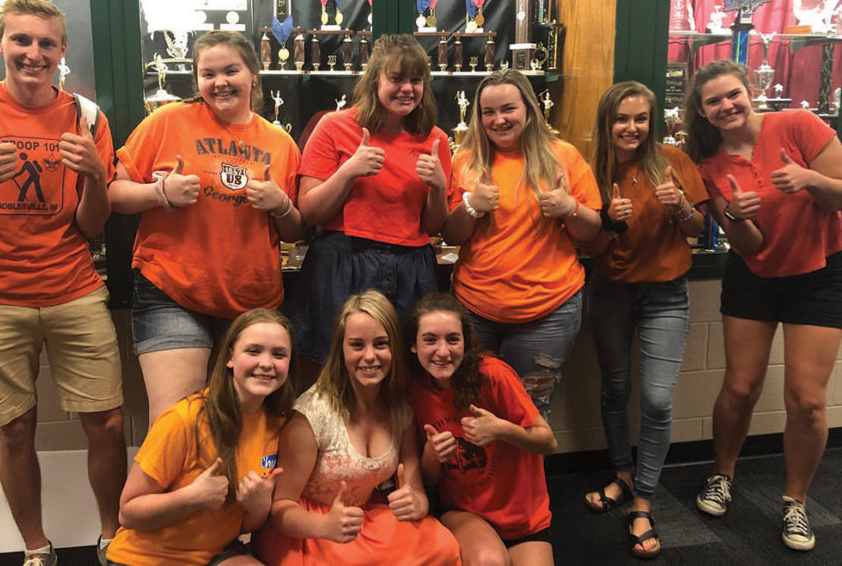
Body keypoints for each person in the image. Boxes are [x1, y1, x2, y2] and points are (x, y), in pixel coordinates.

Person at [0, 0, 126, 566]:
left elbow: (92, 227)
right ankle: (36, 548)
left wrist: (96, 177)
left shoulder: (88, 116)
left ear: (62, 50)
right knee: (15, 430)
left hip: (74, 288)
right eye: (21, 39)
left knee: (108, 421)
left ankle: (110, 537)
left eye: (47, 43)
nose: (33, 53)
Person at [683, 60, 842, 552]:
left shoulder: (798, 124)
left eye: (732, 95)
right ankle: (721, 475)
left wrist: (811, 181)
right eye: (714, 102)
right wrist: (734, 214)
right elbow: (747, 245)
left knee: (808, 399)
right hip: (754, 277)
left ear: (749, 90)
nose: (726, 106)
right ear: (703, 112)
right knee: (741, 386)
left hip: (821, 274)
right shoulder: (708, 164)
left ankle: (796, 501)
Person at [109, 30, 304, 425]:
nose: (219, 83)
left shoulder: (281, 143)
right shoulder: (167, 121)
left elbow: (293, 231)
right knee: (175, 427)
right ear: (196, 80)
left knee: (247, 425)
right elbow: (114, 192)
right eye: (207, 74)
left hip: (252, 299)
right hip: (172, 291)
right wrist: (159, 193)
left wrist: (281, 204)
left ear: (253, 74)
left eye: (231, 70)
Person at [582, 81, 707, 559]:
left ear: (652, 122)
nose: (631, 128)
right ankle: (621, 473)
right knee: (615, 388)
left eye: (640, 118)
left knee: (656, 399)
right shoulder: (591, 168)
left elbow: (698, 228)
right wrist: (608, 222)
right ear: (607, 122)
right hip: (610, 291)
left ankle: (645, 499)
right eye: (622, 118)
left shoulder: (673, 161)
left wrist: (680, 210)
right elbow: (586, 247)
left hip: (666, 294)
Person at [256, 291, 461, 565]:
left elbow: (415, 488)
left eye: (380, 344)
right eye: (357, 345)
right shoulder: (310, 416)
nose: (369, 357)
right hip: (308, 530)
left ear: (395, 348)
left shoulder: (400, 407)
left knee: (443, 546)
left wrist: (417, 504)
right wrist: (323, 527)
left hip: (363, 519)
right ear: (341, 349)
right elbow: (280, 507)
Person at [442, 69, 601, 418]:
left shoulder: (564, 156)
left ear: (529, 109)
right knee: (474, 408)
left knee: (528, 415)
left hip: (547, 311)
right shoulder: (465, 160)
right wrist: (470, 206)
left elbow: (591, 230)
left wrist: (569, 208)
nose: (499, 120)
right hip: (475, 310)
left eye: (508, 109)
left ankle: (527, 476)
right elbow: (451, 234)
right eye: (488, 112)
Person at [290, 34, 451, 366]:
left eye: (416, 80)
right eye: (396, 78)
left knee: (405, 370)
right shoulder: (334, 126)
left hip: (412, 265)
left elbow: (434, 226)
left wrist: (438, 187)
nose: (407, 89)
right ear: (374, 79)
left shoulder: (435, 139)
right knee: (337, 368)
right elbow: (309, 211)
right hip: (343, 260)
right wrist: (349, 172)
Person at [105, 308, 295, 566]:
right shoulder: (185, 418)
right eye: (253, 351)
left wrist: (259, 506)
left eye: (278, 354)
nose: (266, 363)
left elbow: (242, 524)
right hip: (147, 558)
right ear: (230, 357)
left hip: (214, 554)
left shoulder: (276, 424)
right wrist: (189, 498)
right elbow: (128, 513)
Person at [408, 293, 557, 566]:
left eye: (453, 339)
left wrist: (502, 430)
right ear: (414, 346)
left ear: (465, 342)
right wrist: (432, 454)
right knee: (490, 562)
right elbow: (429, 481)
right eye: (430, 340)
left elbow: (548, 443)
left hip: (523, 517)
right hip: (466, 511)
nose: (443, 352)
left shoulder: (494, 375)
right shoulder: (416, 390)